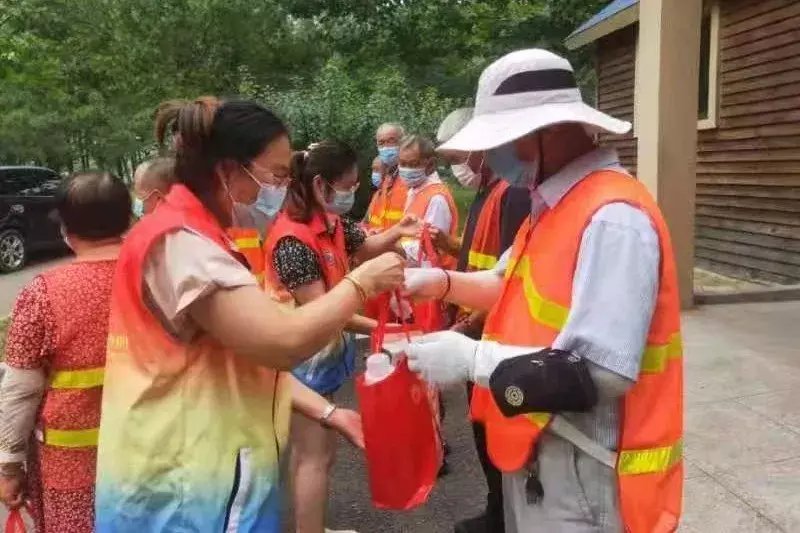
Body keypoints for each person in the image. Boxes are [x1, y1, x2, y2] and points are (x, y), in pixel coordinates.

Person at [403, 49, 683, 533]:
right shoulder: (554, 205)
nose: (489, 158)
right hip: (546, 450)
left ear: (548, 130)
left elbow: (602, 370)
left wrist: (471, 361)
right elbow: (503, 285)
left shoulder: (613, 218)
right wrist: (440, 282)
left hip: (588, 468)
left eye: (502, 141)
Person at [94, 99, 405, 532]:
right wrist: (363, 284)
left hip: (201, 477)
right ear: (228, 170)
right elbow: (281, 343)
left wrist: (330, 413)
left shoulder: (198, 236)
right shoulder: (181, 246)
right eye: (276, 175)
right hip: (185, 493)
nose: (279, 189)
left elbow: (238, 360)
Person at [265, 141, 417, 533]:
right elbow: (323, 314)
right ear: (322, 185)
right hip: (301, 365)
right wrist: (389, 329)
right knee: (312, 457)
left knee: (321, 455)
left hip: (323, 361)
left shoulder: (329, 223)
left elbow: (365, 246)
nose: (353, 192)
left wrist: (399, 231)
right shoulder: (293, 241)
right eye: (348, 185)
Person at [0, 171, 132, 532]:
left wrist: (9, 467)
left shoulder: (43, 293)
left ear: (65, 228)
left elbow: (19, 391)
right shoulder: (158, 280)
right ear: (129, 219)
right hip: (152, 457)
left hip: (72, 468)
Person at [434, 107, 531, 533]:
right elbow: (481, 258)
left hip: (492, 332)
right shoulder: (488, 192)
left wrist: (468, 327)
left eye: (460, 156)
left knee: (498, 434)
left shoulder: (512, 194)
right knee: (482, 430)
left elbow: (511, 276)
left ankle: (505, 518)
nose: (459, 167)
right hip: (478, 326)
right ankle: (496, 512)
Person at [397, 134, 459, 268]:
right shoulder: (415, 191)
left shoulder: (437, 198)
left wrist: (389, 247)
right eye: (402, 163)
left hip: (434, 277)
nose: (406, 169)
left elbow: (430, 250)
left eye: (413, 164)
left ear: (430, 164)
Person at [364, 123, 408, 233]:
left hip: (402, 246)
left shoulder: (411, 178)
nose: (386, 147)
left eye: (391, 141)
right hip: (382, 243)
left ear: (403, 142)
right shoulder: (386, 179)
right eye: (381, 143)